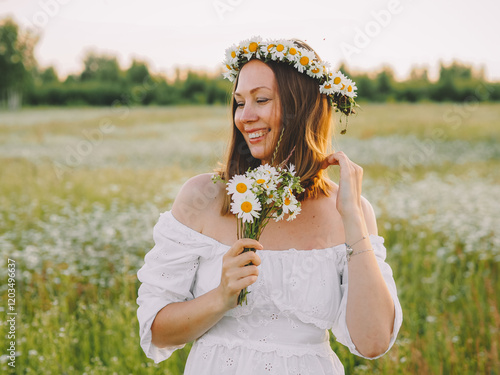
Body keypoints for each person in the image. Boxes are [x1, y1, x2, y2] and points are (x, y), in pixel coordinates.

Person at [136, 37, 403, 374]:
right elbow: (157, 331)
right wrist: (220, 297)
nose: (244, 117)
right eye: (238, 102)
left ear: (302, 107)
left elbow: (373, 341)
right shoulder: (203, 198)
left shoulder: (350, 211)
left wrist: (353, 221)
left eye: (261, 100)